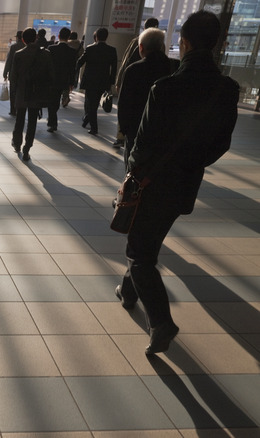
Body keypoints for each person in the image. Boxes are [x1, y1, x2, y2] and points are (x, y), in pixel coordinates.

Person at [117, 10, 239, 355]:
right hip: (186, 183)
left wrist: (133, 176)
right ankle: (127, 290)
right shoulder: (228, 89)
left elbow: (142, 144)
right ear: (216, 44)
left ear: (183, 42)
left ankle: (162, 322)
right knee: (149, 237)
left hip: (153, 182)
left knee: (139, 253)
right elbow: (222, 143)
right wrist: (192, 162)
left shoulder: (166, 87)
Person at [117, 28, 178, 168]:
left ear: (141, 47)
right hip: (165, 132)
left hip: (136, 130)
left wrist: (125, 129)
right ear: (161, 46)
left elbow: (124, 103)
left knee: (132, 170)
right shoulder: (174, 68)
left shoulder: (134, 69)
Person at [114, 17, 160, 147]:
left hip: (134, 79)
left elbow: (126, 61)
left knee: (127, 105)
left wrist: (119, 81)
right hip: (151, 83)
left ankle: (121, 136)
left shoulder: (136, 41)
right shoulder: (160, 44)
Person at [10, 28, 53, 162]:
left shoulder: (18, 54)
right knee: (32, 122)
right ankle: (27, 148)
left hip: (22, 93)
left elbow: (14, 77)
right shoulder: (46, 54)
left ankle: (17, 143)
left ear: (23, 39)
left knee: (19, 120)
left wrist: (14, 94)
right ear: (35, 38)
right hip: (36, 93)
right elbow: (51, 75)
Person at [76, 27, 117, 135]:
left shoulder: (90, 48)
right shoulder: (112, 50)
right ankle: (86, 121)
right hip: (103, 81)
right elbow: (114, 68)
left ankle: (94, 128)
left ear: (96, 37)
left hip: (90, 81)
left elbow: (80, 62)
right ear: (106, 37)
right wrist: (111, 82)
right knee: (94, 104)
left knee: (91, 104)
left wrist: (75, 72)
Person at [46, 27, 77, 132]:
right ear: (68, 37)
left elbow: (47, 65)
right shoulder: (72, 52)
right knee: (57, 100)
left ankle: (52, 122)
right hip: (64, 80)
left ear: (59, 36)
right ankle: (52, 120)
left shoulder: (51, 48)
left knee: (52, 101)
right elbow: (73, 69)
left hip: (51, 80)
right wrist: (72, 83)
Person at [3, 31, 24, 115]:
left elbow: (9, 60)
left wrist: (5, 73)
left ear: (17, 38)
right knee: (21, 92)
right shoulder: (26, 47)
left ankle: (13, 110)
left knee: (13, 92)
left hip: (13, 73)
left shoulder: (13, 47)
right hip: (24, 75)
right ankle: (20, 109)